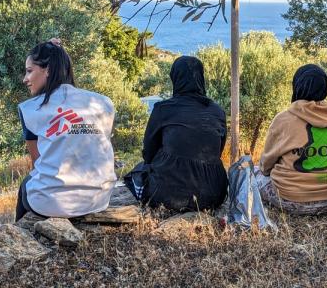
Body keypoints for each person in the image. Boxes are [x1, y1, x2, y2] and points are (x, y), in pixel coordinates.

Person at [15, 40, 116, 221]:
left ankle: (21, 235)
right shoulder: (103, 102)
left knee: (26, 185)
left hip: (52, 203)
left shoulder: (30, 109)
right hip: (99, 198)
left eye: (29, 71)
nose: (25, 79)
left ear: (48, 70)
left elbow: (38, 163)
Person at [125, 56, 228, 212]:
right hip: (214, 194)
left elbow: (148, 153)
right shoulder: (217, 111)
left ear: (175, 78)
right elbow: (218, 151)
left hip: (169, 195)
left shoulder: (163, 109)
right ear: (201, 78)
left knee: (137, 172)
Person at [258, 64, 327, 215]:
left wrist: (264, 171)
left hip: (290, 200)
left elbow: (266, 164)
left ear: (297, 86)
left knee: (255, 174)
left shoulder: (283, 119)